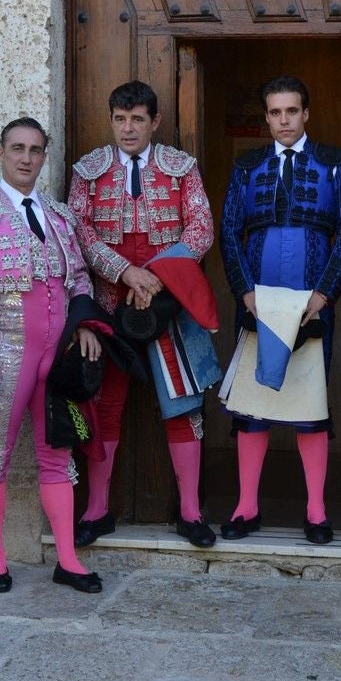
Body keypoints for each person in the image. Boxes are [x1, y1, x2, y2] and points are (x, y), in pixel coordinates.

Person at [0, 117, 108, 593]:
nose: (25, 158)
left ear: (44, 156)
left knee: (58, 453)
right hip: (4, 349)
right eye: (17, 148)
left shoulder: (59, 215)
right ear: (0, 152)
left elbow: (78, 278)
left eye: (35, 150)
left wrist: (84, 328)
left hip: (56, 354)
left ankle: (69, 560)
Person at [68, 80, 219, 549]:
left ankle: (191, 513)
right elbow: (78, 230)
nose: (127, 128)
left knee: (182, 404)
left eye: (137, 119)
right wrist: (125, 272)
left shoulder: (182, 168)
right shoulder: (88, 171)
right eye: (119, 118)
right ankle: (97, 510)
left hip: (167, 303)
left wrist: (151, 276)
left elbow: (202, 228)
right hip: (111, 304)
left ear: (154, 122)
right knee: (103, 403)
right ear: (111, 120)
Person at [218, 76, 341, 544]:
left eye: (292, 111)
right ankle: (246, 507)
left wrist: (323, 296)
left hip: (311, 302)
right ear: (266, 117)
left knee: (310, 406)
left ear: (306, 114)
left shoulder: (336, 164)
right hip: (258, 301)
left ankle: (316, 512)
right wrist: (245, 294)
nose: (283, 120)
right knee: (252, 407)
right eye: (275, 113)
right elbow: (228, 233)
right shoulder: (246, 166)